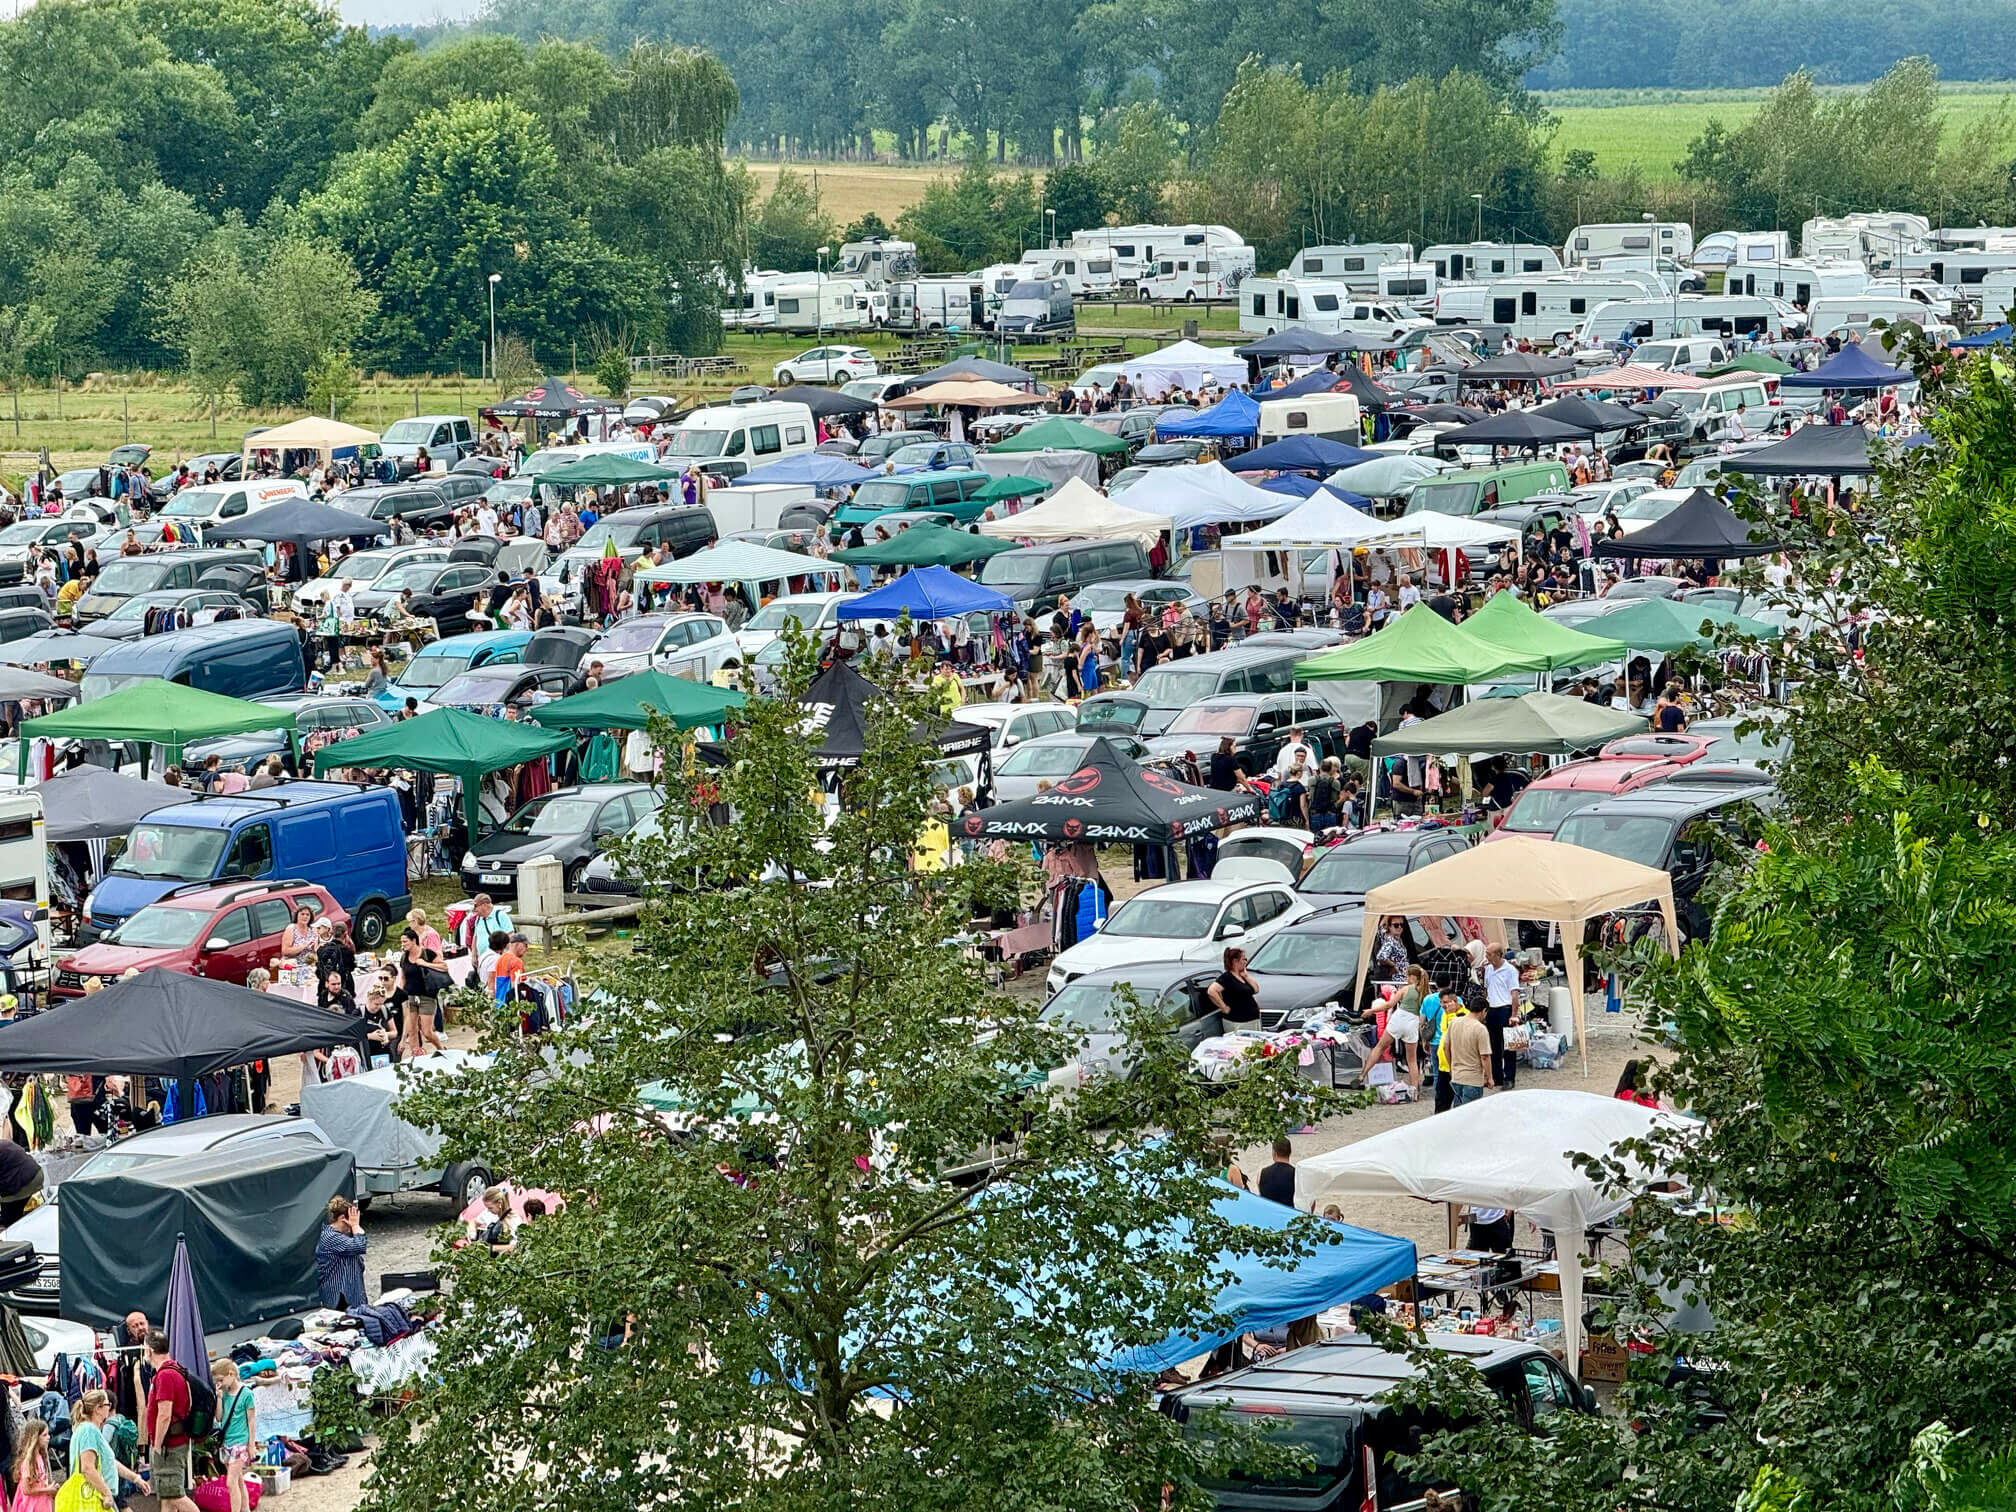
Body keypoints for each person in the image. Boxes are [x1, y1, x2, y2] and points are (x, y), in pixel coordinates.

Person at [142, 1332, 198, 1512]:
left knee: (175, 1495)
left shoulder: (165, 1375)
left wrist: (157, 1445)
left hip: (169, 1446)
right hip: (175, 1442)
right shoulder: (176, 1369)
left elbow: (164, 1414)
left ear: (149, 1351)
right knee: (166, 1496)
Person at [68, 1392, 142, 1512]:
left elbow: (109, 1461)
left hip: (96, 1496)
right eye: (107, 1404)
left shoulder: (89, 1429)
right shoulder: (89, 1431)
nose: (110, 1407)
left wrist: (135, 1478)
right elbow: (87, 1467)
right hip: (95, 1497)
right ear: (98, 1409)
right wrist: (107, 1493)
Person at [210, 1361, 256, 1512]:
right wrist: (218, 1398)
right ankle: (246, 1508)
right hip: (227, 1442)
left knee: (231, 1482)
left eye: (221, 1380)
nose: (219, 1383)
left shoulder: (247, 1394)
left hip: (240, 1443)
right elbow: (219, 1417)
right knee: (238, 1481)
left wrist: (251, 1445)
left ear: (231, 1374)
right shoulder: (224, 1395)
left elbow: (251, 1420)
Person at [1481, 941, 1523, 1091]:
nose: (1487, 957)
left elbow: (1514, 994)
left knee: (1508, 1047)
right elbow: (1486, 989)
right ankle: (1496, 1076)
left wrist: (1514, 1014)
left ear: (1499, 955)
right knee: (1493, 1045)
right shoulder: (1488, 969)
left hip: (1504, 1009)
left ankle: (1509, 1078)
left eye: (1489, 954)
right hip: (1492, 1009)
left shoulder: (1510, 971)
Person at [315, 1196, 367, 1309]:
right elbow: (360, 1245)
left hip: (350, 1294)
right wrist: (355, 1226)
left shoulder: (341, 1235)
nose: (351, 1227)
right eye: (350, 1221)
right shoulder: (330, 1237)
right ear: (342, 1218)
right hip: (338, 1297)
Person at [1443, 993, 1493, 1106]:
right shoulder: (1480, 1029)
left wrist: (1451, 1068)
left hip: (1456, 1077)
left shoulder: (1454, 1022)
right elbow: (1485, 1056)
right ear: (1484, 1011)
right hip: (1473, 1080)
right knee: (1472, 1117)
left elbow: (1446, 1047)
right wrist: (1489, 1077)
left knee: (1458, 1114)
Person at [1208, 946, 1260, 1028]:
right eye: (1243, 959)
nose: (1245, 962)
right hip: (1238, 1022)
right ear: (1235, 961)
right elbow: (1211, 991)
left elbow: (1256, 989)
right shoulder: (1227, 978)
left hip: (1252, 1019)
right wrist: (1224, 1007)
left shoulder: (1242, 976)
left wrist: (1246, 976)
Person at [11, 1417, 55, 1512]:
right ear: (35, 1438)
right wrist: (47, 1490)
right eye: (44, 1435)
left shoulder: (41, 1456)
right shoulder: (28, 1462)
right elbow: (26, 1490)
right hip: (31, 1506)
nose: (48, 1437)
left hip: (42, 1504)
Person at [0, 1136, 41, 1226]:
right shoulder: (3, 1143)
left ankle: (15, 1231)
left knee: (10, 1219)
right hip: (36, 1173)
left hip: (24, 1180)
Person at [1256, 1137, 1296, 1207]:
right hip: (1291, 1215)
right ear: (1290, 1152)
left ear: (1274, 1153)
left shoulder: (1261, 1173)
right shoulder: (1297, 1174)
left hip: (1269, 1214)